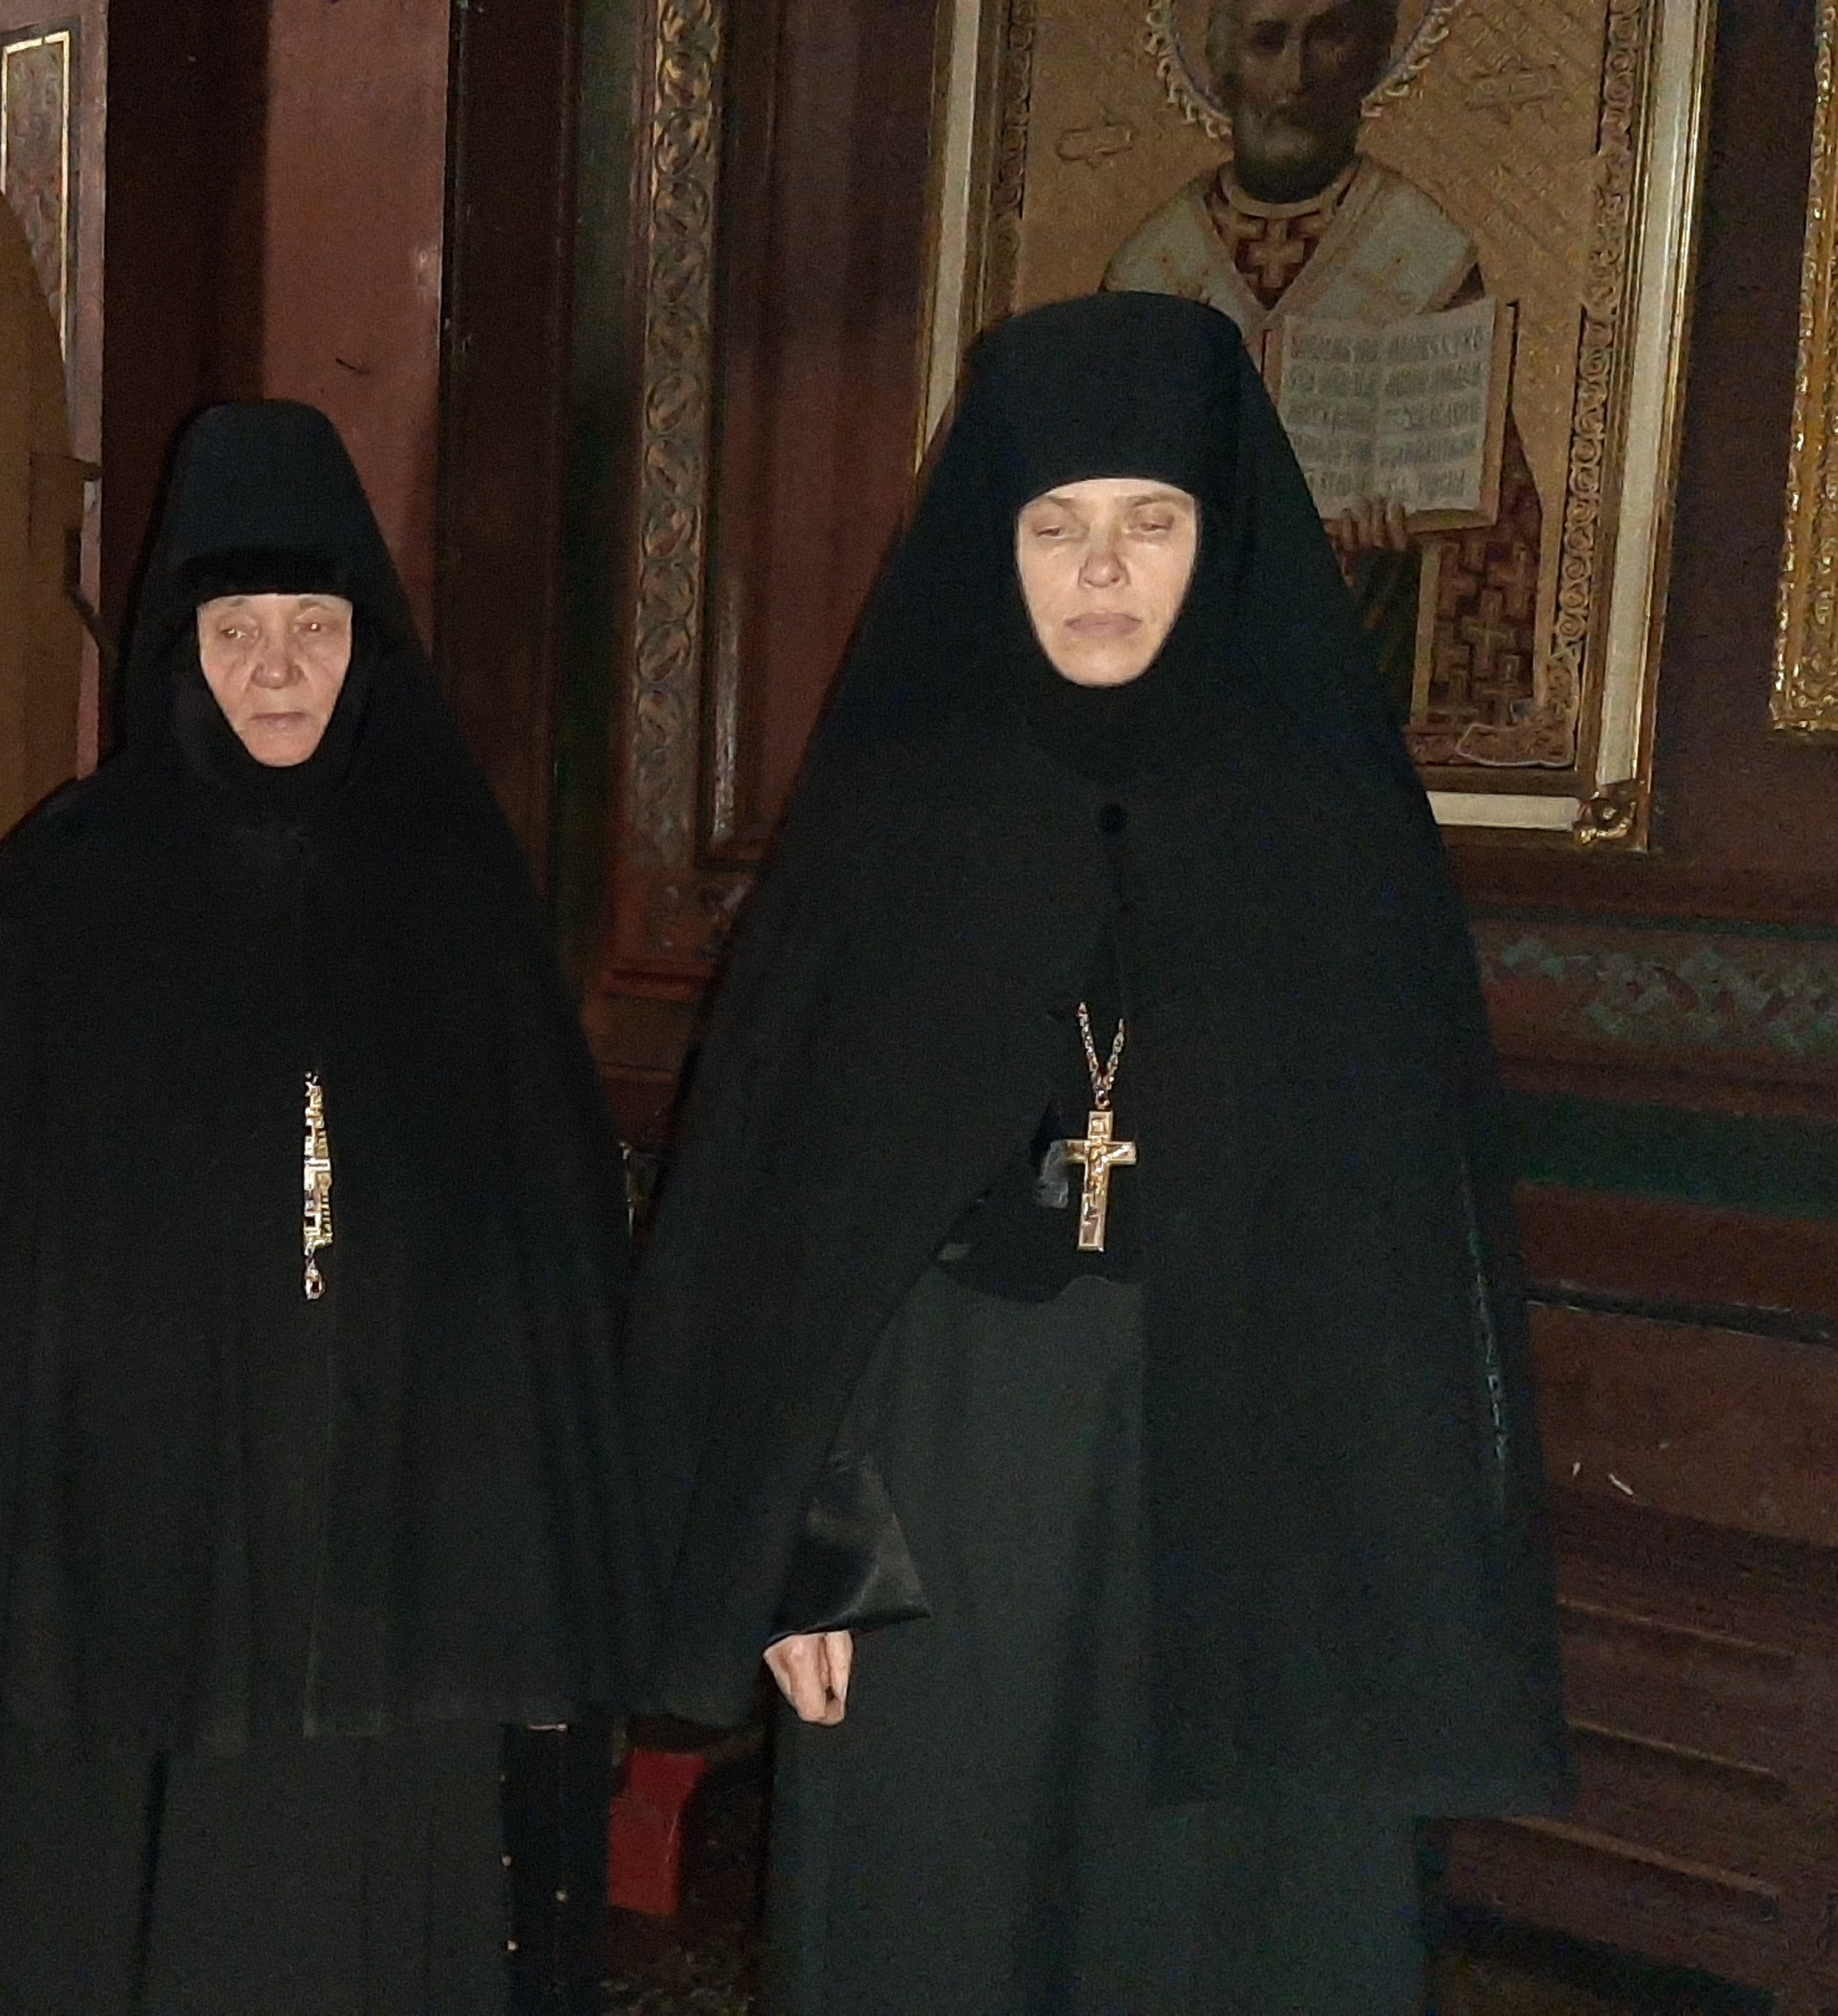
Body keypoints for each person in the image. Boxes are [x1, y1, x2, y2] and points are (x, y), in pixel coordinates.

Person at [630, 292, 1566, 2014]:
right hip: (940, 1471)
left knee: (1216, 1927)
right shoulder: (891, 819)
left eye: (1150, 521)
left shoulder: (1329, 829)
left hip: (1256, 1484)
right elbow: (776, 1231)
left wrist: (1385, 1577)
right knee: (933, 1905)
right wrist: (800, 1552)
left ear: (1222, 539)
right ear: (995, 545)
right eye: (1054, 526)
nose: (1102, 572)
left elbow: (1400, 1266)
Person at [0, 401, 645, 2016]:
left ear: (366, 641)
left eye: (311, 626)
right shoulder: (61, 892)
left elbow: (543, 1255)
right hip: (122, 1564)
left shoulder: (458, 894)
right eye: (236, 629)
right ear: (177, 648)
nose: (275, 670)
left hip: (391, 1555)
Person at [1105, 0, 1549, 740]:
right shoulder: (1151, 266)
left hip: (1344, 702)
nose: (1295, 77)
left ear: (1372, 55)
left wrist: (1401, 563)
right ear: (1223, 65)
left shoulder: (1422, 250)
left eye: (1329, 36)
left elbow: (1499, 546)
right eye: (1268, 41)